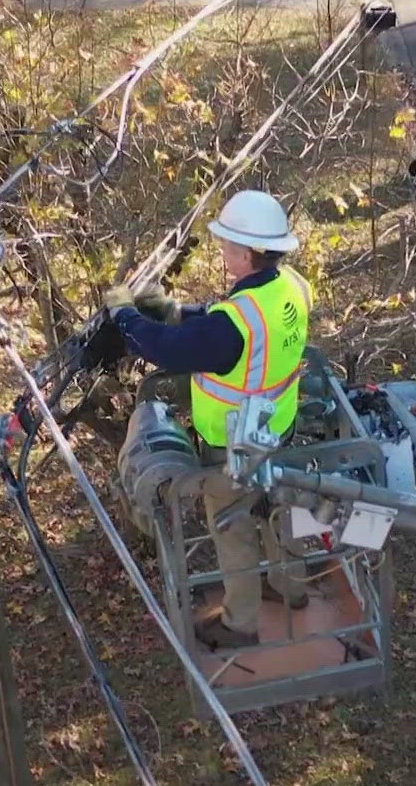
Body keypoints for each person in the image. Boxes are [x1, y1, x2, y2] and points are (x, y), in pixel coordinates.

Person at [105, 190, 316, 649]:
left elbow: (171, 349)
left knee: (233, 527)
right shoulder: (293, 285)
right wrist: (173, 312)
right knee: (280, 510)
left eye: (226, 246)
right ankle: (291, 587)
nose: (221, 252)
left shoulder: (233, 324)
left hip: (233, 444)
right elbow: (230, 325)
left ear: (245, 253)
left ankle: (240, 623)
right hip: (279, 428)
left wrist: (125, 316)